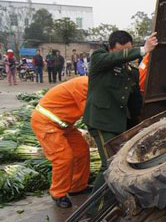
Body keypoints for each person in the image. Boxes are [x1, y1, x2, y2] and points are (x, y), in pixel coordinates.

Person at [83, 30, 157, 193]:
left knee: (121, 163)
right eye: (121, 51)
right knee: (110, 164)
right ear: (110, 48)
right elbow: (113, 58)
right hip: (101, 121)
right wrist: (142, 50)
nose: (125, 55)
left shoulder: (130, 71)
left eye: (128, 50)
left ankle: (115, 198)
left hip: (119, 122)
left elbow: (134, 99)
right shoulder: (99, 59)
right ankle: (96, 208)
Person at [31, 76, 91, 208]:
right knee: (63, 157)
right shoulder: (85, 85)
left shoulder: (93, 84)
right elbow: (89, 113)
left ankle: (77, 187)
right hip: (45, 123)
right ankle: (58, 193)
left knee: (81, 150)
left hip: (64, 124)